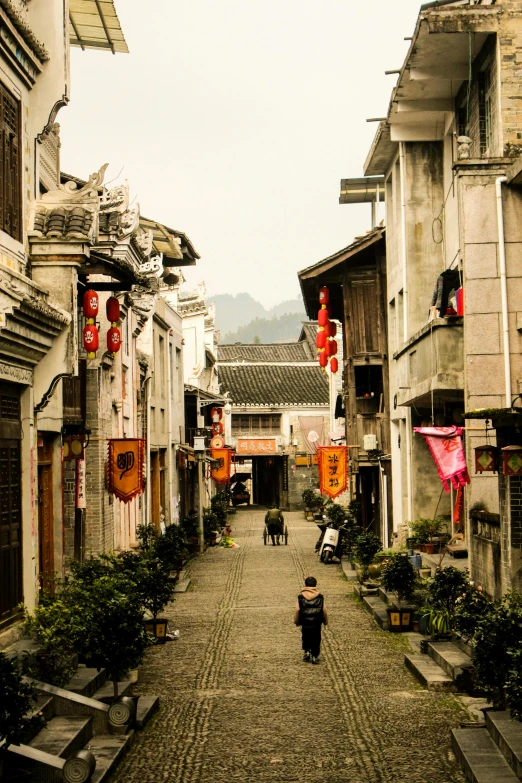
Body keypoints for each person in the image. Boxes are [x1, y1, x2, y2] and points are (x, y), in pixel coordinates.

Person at [294, 576, 328, 664]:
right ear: (316, 585)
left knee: (305, 637)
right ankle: (315, 655)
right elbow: (324, 610)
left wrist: (297, 621)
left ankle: (307, 651)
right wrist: (325, 621)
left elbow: (297, 610)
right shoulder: (320, 597)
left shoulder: (300, 597)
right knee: (316, 638)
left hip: (305, 622)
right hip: (316, 622)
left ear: (305, 585)